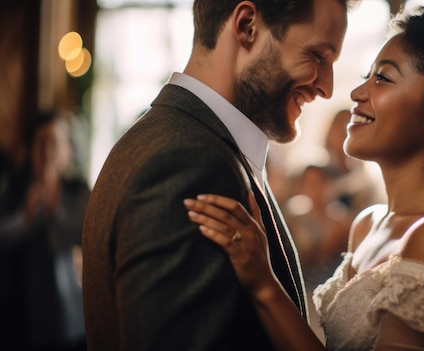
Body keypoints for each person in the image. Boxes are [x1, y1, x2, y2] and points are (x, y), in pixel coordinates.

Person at [184, 1, 424, 350]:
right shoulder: (367, 224)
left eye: (382, 78)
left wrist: (264, 285)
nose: (355, 93)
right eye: (366, 76)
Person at [81, 0, 350, 350]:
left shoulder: (175, 138)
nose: (327, 87)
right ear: (247, 25)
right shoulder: (187, 165)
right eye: (317, 55)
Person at [0, 112, 90, 350]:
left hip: (68, 314)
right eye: (40, 143)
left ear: (67, 150)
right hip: (17, 312)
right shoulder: (12, 188)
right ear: (29, 149)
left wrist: (55, 212)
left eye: (54, 142)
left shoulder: (79, 190)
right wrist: (25, 219)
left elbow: (87, 238)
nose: (47, 151)